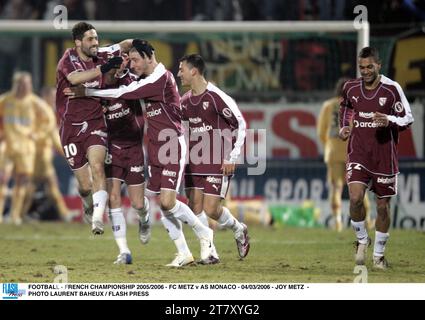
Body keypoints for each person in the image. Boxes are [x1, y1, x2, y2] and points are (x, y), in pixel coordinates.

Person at [66, 40, 216, 267]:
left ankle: (204, 232)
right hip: (155, 146)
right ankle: (184, 253)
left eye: (136, 59)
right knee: (162, 203)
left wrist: (86, 91)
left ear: (149, 57)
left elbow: (124, 91)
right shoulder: (145, 78)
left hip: (171, 144)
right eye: (131, 60)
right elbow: (126, 80)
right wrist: (121, 63)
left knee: (167, 202)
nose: (133, 64)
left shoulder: (160, 77)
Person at [339, 47, 414, 269]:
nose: (365, 71)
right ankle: (362, 240)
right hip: (358, 152)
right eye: (362, 67)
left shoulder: (392, 89)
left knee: (382, 207)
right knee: (354, 198)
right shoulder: (350, 87)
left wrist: (389, 119)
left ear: (379, 65)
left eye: (370, 66)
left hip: (384, 156)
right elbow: (345, 107)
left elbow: (407, 118)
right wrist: (344, 126)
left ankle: (379, 256)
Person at [56, 21, 132, 234]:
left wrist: (140, 44)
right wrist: (104, 68)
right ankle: (88, 203)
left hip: (96, 122)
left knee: (98, 166)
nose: (95, 43)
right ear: (78, 42)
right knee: (85, 186)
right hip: (70, 128)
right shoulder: (68, 58)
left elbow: (125, 44)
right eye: (90, 39)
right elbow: (74, 78)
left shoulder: (102, 54)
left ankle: (98, 219)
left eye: (96, 38)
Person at [177, 54, 250, 260]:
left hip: (217, 162)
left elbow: (241, 125)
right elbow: (180, 130)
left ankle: (238, 229)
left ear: (194, 71)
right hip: (194, 162)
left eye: (181, 69)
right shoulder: (184, 102)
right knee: (195, 207)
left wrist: (232, 157)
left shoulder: (217, 97)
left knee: (211, 209)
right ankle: (210, 251)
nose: (179, 73)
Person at [102, 60, 150, 265]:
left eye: (120, 66)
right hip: (113, 149)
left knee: (138, 203)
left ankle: (144, 218)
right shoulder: (100, 90)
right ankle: (124, 251)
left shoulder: (132, 82)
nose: (117, 70)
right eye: (113, 68)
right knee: (113, 197)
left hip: (134, 148)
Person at [317, 77, 372, 232]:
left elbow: (321, 131)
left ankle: (337, 222)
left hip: (333, 151)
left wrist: (330, 145)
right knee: (358, 188)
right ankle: (367, 221)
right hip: (352, 151)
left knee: (335, 188)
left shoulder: (328, 105)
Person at [0, 72, 51, 225]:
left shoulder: (35, 103)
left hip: (26, 149)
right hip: (7, 146)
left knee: (21, 181)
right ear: (16, 84)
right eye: (21, 83)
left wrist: (38, 135)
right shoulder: (5, 100)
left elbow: (49, 120)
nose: (24, 86)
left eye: (27, 83)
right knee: (2, 179)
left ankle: (15, 215)